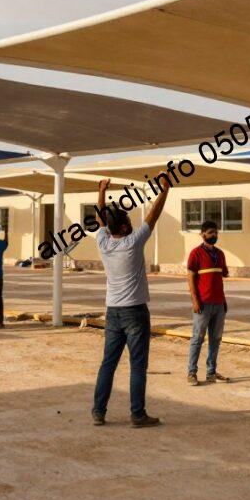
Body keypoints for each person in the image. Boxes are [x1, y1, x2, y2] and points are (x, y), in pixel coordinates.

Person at [91, 176, 170, 429]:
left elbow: (100, 219)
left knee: (108, 364)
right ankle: (137, 414)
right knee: (137, 366)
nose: (131, 222)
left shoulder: (104, 243)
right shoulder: (132, 243)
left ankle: (98, 411)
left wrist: (100, 191)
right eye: (127, 220)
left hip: (112, 312)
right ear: (124, 227)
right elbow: (153, 217)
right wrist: (164, 190)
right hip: (135, 312)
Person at [185, 220, 229, 386]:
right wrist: (195, 300)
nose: (214, 235)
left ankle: (211, 372)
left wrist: (224, 301)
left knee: (215, 339)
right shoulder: (195, 253)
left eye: (216, 232)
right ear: (202, 234)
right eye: (211, 232)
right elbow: (190, 278)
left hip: (219, 305)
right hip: (203, 304)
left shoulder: (220, 254)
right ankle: (192, 372)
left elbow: (221, 277)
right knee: (197, 338)